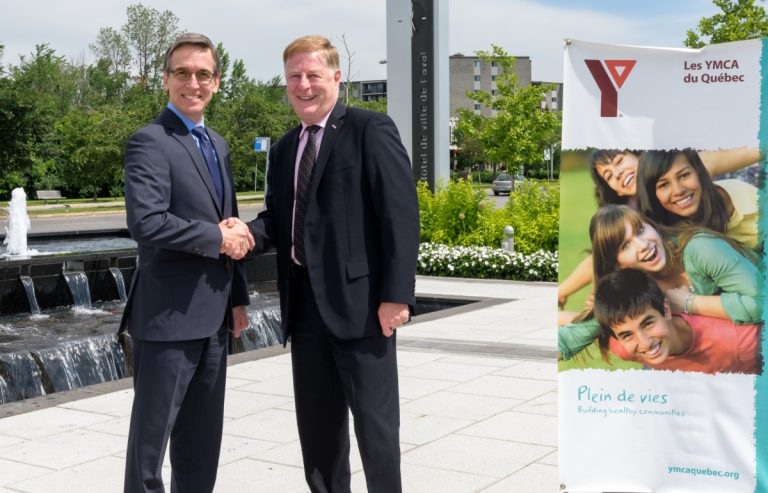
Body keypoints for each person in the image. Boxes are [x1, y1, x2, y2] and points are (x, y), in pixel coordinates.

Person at [245, 35, 419, 493]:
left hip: (363, 309)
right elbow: (278, 221)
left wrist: (396, 295)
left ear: (336, 78)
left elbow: (399, 215)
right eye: (294, 77)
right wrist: (243, 234)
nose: (303, 85)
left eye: (313, 75)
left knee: (376, 431)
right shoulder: (284, 149)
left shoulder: (370, 129)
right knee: (318, 435)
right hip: (304, 309)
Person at [119, 32, 254, 493]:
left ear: (216, 83)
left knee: (200, 449)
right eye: (182, 73)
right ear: (166, 80)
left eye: (203, 74)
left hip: (214, 319)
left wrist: (237, 299)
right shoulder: (149, 142)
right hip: (167, 320)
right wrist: (216, 236)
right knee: (149, 456)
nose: (192, 82)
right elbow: (148, 223)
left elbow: (229, 219)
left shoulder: (216, 143)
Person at [558, 146, 760, 307]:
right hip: (727, 264)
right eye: (609, 176)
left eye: (619, 161)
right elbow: (603, 255)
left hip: (748, 220)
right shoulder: (635, 213)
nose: (617, 174)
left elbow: (747, 152)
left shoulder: (681, 169)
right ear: (613, 189)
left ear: (639, 155)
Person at [558, 205, 761, 360]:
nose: (643, 245)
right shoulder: (636, 286)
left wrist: (687, 302)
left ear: (651, 226)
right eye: (625, 246)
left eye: (639, 230)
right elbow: (569, 340)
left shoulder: (700, 248)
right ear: (618, 265)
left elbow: (761, 304)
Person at [593, 268, 760, 374]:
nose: (644, 342)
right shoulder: (623, 347)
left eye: (648, 324)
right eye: (627, 335)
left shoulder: (736, 339)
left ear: (666, 309)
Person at [636, 148, 758, 249]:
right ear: (653, 194)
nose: (678, 190)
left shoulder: (739, 191)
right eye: (664, 185)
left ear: (699, 172)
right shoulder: (667, 243)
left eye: (684, 175)